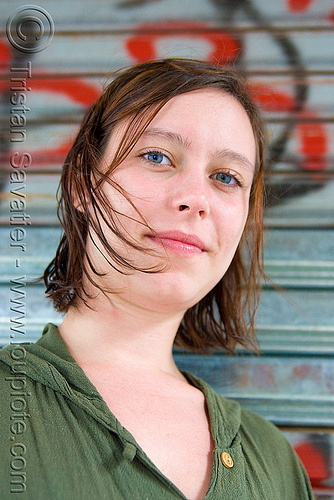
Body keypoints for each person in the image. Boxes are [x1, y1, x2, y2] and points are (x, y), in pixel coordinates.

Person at [0, 58, 314, 499]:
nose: (195, 199)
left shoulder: (275, 462)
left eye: (226, 177)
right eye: (156, 156)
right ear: (83, 183)